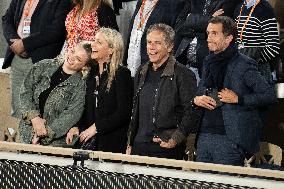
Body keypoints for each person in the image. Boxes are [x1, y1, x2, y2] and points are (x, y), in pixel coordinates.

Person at [193, 16, 277, 166]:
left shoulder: (244, 64)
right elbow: (200, 91)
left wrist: (239, 98)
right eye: (208, 33)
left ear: (228, 38)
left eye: (214, 33)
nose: (209, 38)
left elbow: (269, 95)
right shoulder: (208, 61)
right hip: (203, 136)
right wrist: (197, 99)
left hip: (229, 139)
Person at [126, 24, 197, 159]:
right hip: (139, 145)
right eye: (149, 42)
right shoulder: (142, 70)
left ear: (170, 47)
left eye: (157, 43)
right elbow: (135, 111)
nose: (151, 47)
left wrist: (176, 138)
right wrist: (130, 142)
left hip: (165, 147)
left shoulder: (183, 74)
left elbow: (192, 111)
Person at [66, 28, 133, 153]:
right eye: (94, 40)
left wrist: (96, 128)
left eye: (99, 42)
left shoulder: (122, 74)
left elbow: (123, 113)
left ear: (111, 50)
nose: (93, 44)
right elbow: (85, 107)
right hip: (89, 142)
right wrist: (77, 127)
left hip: (111, 143)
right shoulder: (92, 72)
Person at [2, 0, 71, 118]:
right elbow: (7, 18)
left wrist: (25, 44)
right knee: (19, 109)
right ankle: (21, 136)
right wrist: (14, 41)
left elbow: (57, 29)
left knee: (38, 110)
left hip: (41, 60)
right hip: (17, 58)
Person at [18, 43, 92, 147]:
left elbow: (71, 115)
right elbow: (25, 92)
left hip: (55, 143)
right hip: (26, 133)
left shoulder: (80, 86)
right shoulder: (43, 66)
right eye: (72, 51)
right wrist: (34, 119)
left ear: (85, 66)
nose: (71, 57)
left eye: (78, 59)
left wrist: (43, 133)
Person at [174, 0, 241, 79]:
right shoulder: (192, 1)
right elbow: (179, 26)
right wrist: (210, 19)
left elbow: (218, 29)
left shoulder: (227, 2)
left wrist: (191, 19)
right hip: (183, 59)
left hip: (205, 63)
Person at [125, 0, 185, 77]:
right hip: (132, 69)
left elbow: (174, 40)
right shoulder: (141, 2)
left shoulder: (174, 4)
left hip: (155, 74)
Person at [234, 0, 280, 83]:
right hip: (240, 69)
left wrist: (254, 60)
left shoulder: (265, 9)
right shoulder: (239, 8)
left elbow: (273, 47)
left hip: (258, 71)